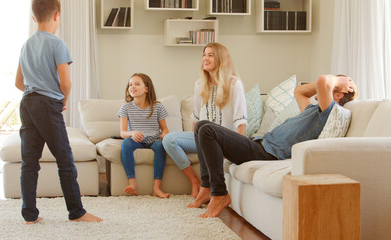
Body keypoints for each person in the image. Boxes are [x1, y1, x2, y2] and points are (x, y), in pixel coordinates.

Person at [189, 74, 358, 218]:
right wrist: (338, 81)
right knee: (201, 125)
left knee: (208, 130)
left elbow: (323, 81)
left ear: (338, 94)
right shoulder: (313, 110)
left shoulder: (328, 112)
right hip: (259, 144)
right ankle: (206, 186)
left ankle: (219, 193)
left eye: (335, 87)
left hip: (267, 153)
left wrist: (338, 80)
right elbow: (299, 92)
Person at [15, 0, 102, 224]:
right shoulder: (57, 43)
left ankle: (29, 215)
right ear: (57, 16)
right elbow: (66, 83)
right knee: (64, 159)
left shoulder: (26, 45)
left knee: (29, 162)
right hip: (47, 104)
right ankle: (76, 212)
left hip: (27, 104)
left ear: (34, 18)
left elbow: (18, 82)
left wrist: (35, 93)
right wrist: (61, 100)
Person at [163, 42, 247, 198]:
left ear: (221, 59)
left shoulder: (234, 84)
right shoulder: (199, 84)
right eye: (204, 55)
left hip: (224, 141)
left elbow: (241, 121)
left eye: (210, 55)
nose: (205, 58)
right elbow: (196, 115)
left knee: (208, 136)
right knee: (169, 140)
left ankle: (207, 188)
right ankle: (195, 182)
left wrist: (235, 148)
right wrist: (195, 136)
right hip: (202, 139)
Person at [118, 73, 170, 198]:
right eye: (130, 84)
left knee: (160, 146)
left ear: (146, 89)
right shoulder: (126, 107)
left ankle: (156, 188)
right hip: (136, 140)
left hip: (154, 140)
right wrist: (132, 133)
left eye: (137, 84)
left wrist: (164, 135)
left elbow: (165, 129)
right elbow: (122, 133)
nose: (132, 86)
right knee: (126, 143)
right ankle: (132, 184)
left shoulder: (157, 107)